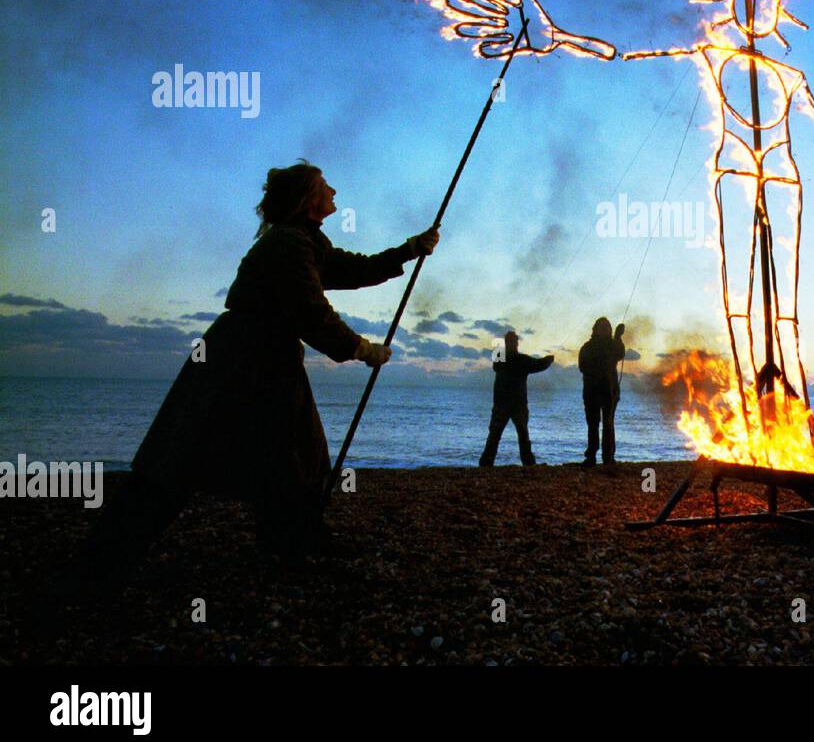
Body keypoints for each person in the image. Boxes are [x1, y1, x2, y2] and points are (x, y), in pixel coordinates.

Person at [67, 161, 439, 599]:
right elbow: (310, 311)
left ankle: (292, 540)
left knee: (296, 452)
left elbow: (355, 271)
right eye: (325, 186)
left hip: (267, 357)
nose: (334, 190)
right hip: (239, 360)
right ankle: (101, 565)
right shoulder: (287, 243)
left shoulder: (304, 241)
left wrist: (410, 248)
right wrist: (361, 349)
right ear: (307, 199)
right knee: (182, 457)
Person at [480, 331, 553, 467]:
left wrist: (501, 345)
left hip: (501, 402)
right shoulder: (520, 360)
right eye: (514, 342)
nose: (515, 344)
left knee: (495, 435)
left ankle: (486, 464)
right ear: (516, 343)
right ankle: (528, 463)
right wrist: (549, 360)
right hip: (517, 403)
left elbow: (496, 362)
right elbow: (538, 364)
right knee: (522, 436)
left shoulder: (501, 358)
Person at [578, 317, 625, 466]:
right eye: (603, 327)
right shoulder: (588, 347)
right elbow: (583, 367)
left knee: (608, 424)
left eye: (608, 327)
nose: (606, 329)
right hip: (593, 391)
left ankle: (608, 457)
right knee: (593, 424)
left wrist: (618, 337)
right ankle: (591, 456)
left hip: (609, 391)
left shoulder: (612, 345)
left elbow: (621, 353)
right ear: (596, 329)